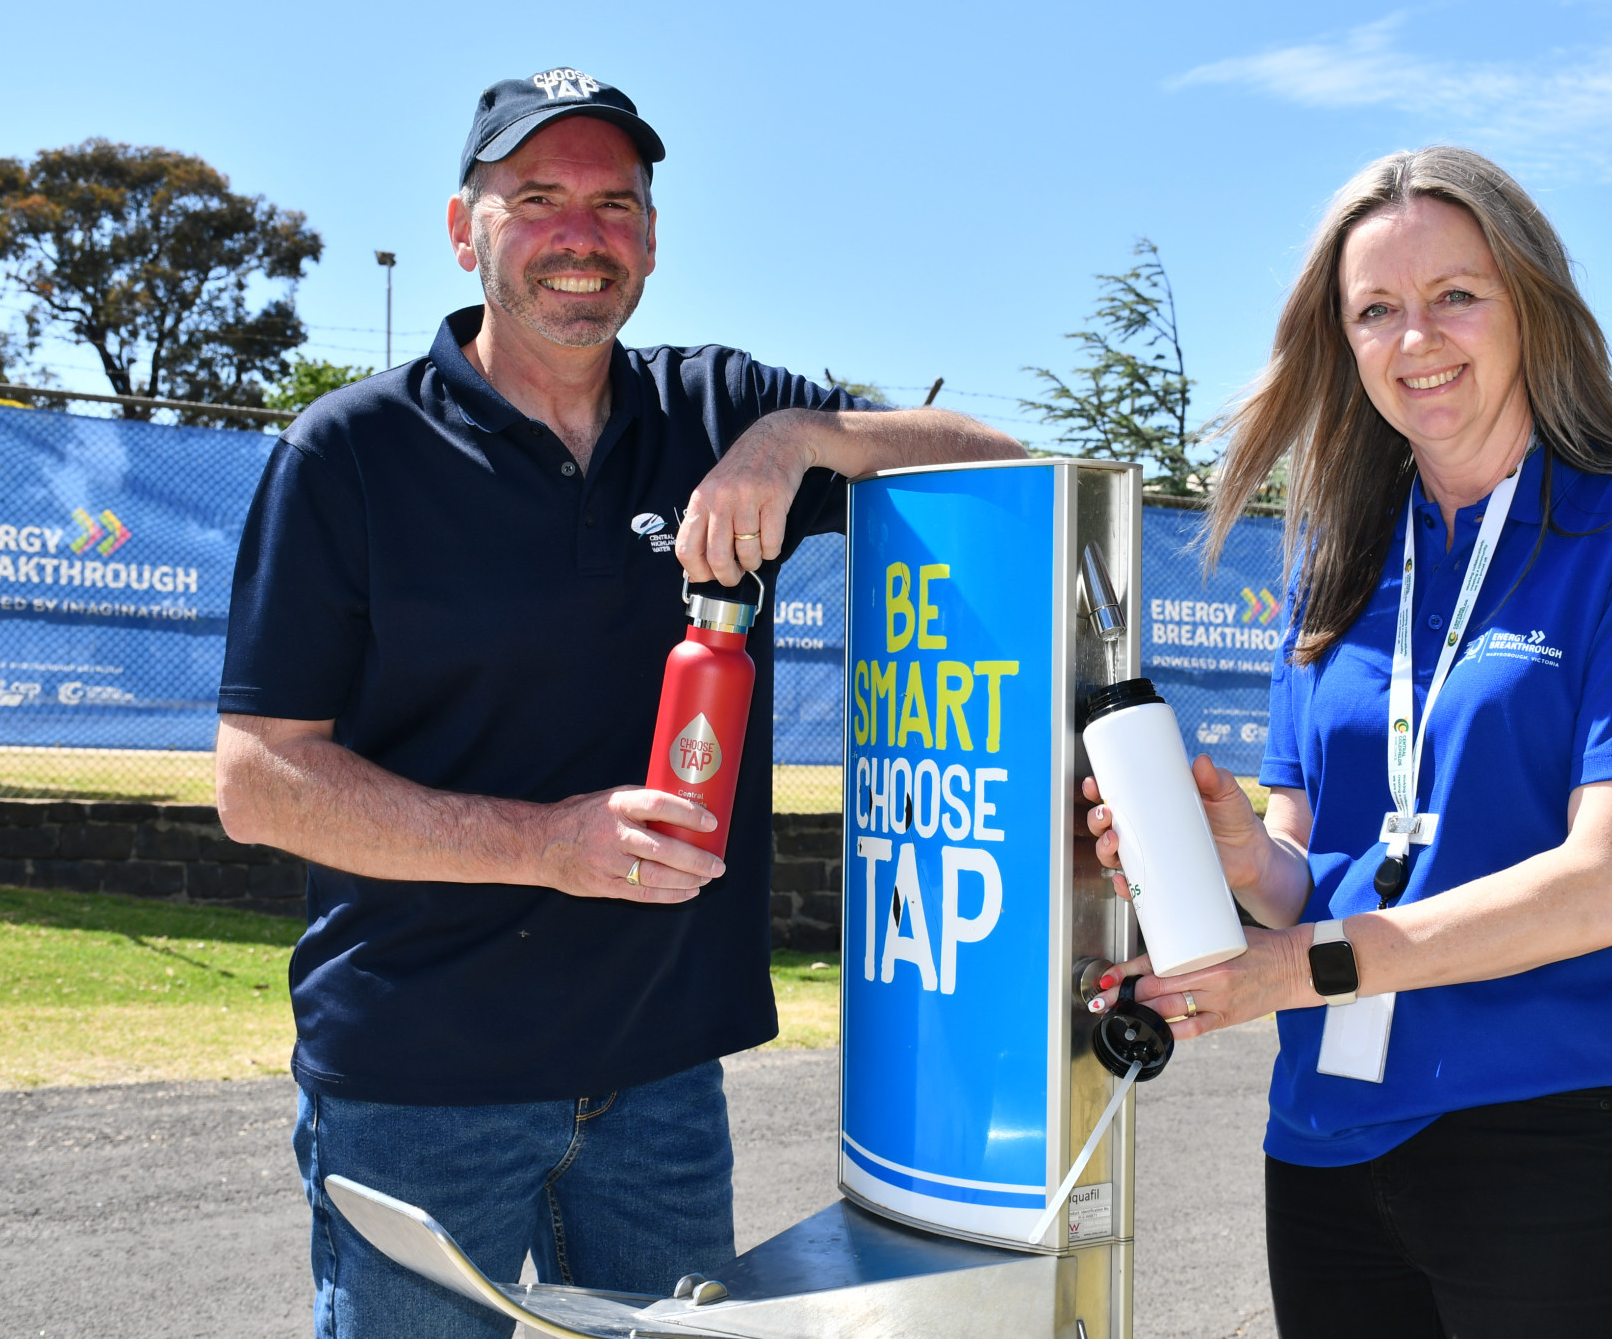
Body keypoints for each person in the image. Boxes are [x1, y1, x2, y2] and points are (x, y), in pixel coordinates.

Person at [214, 68, 1022, 1338]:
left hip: (658, 1086)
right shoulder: (350, 452)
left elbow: (999, 458)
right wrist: (547, 843)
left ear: (649, 236)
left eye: (615, 202)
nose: (579, 235)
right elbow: (259, 781)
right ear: (461, 226)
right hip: (420, 1088)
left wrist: (802, 436)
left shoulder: (715, 409)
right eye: (535, 197)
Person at [1084, 146, 1612, 1338]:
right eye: (1374, 311)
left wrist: (1296, 969)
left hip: (1551, 1145)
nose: (1414, 338)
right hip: (1325, 1144)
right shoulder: (1338, 561)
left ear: (1531, 304)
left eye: (1455, 295)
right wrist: (1243, 864)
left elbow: (1609, 888)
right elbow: (1306, 876)